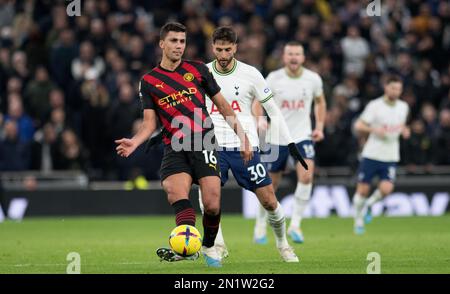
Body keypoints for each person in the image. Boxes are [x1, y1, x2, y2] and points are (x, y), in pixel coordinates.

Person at [115, 22, 253, 267]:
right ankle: (187, 247)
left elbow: (222, 105)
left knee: (212, 205)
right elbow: (149, 124)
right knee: (176, 195)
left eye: (182, 41)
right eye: (174, 41)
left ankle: (210, 246)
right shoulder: (149, 81)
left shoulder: (198, 70)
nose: (179, 46)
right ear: (162, 44)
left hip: (204, 141)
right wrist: (135, 141)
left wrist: (242, 137)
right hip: (175, 146)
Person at [198, 27, 308, 262]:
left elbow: (273, 111)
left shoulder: (251, 74)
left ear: (236, 48)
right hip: (212, 145)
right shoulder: (203, 72)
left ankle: (283, 245)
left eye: (228, 49)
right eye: (219, 49)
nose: (224, 54)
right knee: (209, 199)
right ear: (212, 47)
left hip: (245, 147)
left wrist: (290, 142)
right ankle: (216, 246)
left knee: (269, 200)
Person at [254, 41, 326, 244]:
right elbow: (257, 101)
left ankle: (295, 225)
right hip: (276, 138)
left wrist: (319, 126)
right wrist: (260, 118)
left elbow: (320, 101)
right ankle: (260, 225)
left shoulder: (313, 79)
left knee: (306, 176)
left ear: (303, 58)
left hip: (302, 136)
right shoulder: (274, 78)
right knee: (269, 187)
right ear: (284, 57)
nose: (293, 57)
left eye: (297, 54)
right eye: (290, 54)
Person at [352, 75, 410, 234]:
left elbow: (400, 125)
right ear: (386, 88)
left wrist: (404, 130)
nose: (396, 91)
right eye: (393, 88)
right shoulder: (375, 105)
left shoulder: (403, 106)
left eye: (398, 89)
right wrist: (373, 130)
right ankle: (358, 220)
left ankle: (369, 205)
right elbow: (358, 125)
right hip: (372, 153)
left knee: (387, 188)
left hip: (390, 155)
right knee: (362, 190)